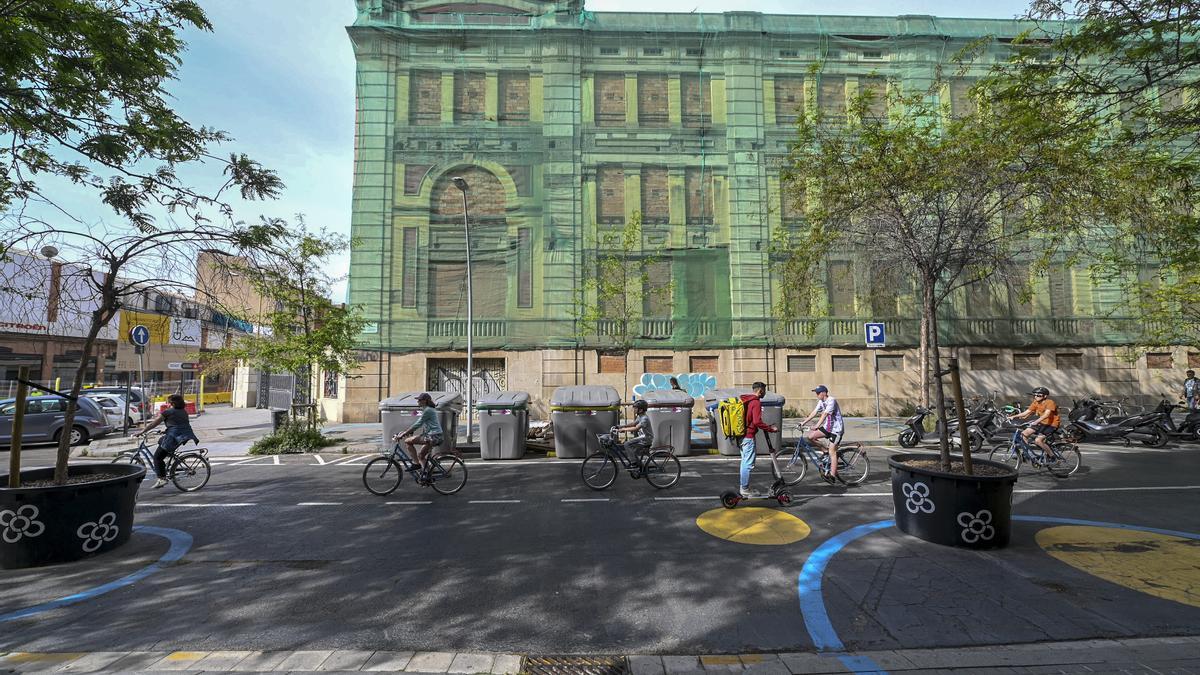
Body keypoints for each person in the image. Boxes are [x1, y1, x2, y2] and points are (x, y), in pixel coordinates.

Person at [139, 394, 199, 489]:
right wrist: (166, 430)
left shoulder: (168, 412)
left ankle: (162, 478)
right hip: (182, 436)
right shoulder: (183, 411)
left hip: (173, 438)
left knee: (157, 458)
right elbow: (178, 424)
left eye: (169, 402)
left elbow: (154, 423)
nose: (168, 404)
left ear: (173, 403)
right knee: (161, 442)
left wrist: (142, 431)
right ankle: (167, 462)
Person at [738, 381, 777, 498]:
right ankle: (744, 488)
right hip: (748, 436)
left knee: (744, 462)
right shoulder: (755, 402)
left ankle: (744, 486)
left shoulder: (746, 400)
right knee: (748, 464)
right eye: (764, 390)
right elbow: (756, 421)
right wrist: (770, 428)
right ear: (760, 390)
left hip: (741, 435)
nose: (765, 393)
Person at [799, 385, 844, 480]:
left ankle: (832, 475)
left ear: (824, 393)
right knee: (811, 437)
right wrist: (803, 422)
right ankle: (825, 451)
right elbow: (814, 412)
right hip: (827, 428)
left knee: (833, 451)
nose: (817, 395)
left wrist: (816, 426)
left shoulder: (831, 400)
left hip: (836, 430)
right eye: (816, 393)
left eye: (818, 393)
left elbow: (825, 414)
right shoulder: (821, 401)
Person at [398, 393, 443, 481]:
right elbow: (423, 423)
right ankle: (427, 475)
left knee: (407, 441)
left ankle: (416, 464)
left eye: (419, 400)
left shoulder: (428, 410)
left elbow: (418, 423)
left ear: (425, 401)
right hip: (434, 435)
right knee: (421, 455)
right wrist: (410, 431)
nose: (417, 401)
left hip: (433, 436)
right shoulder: (428, 409)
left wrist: (405, 433)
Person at [1008, 386, 1060, 457]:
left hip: (1051, 424)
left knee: (1038, 441)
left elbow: (1046, 414)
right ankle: (1027, 454)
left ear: (1045, 396)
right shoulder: (1035, 402)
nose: (1036, 396)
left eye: (1038, 395)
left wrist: (1036, 421)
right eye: (1034, 395)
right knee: (1024, 434)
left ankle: (1053, 456)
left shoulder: (1050, 402)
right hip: (1041, 423)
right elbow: (1026, 412)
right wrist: (1013, 416)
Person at [616, 399, 653, 465]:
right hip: (643, 438)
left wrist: (624, 429)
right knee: (632, 451)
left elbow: (636, 428)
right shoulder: (640, 416)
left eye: (636, 408)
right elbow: (633, 423)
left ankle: (634, 463)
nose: (634, 410)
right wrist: (621, 426)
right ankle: (640, 468)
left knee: (627, 444)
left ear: (641, 410)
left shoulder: (644, 418)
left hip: (646, 439)